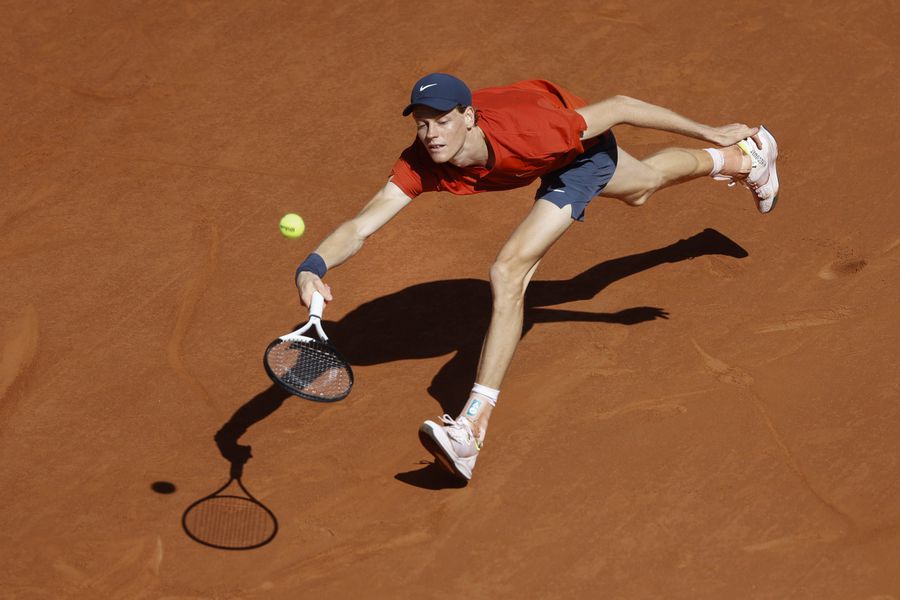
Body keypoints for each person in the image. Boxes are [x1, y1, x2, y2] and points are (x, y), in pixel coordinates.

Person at [294, 73, 779, 481]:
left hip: (571, 150)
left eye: (443, 121)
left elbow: (623, 106)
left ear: (468, 117)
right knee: (644, 186)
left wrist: (707, 130)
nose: (432, 134)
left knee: (508, 271)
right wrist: (313, 265)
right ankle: (746, 160)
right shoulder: (422, 161)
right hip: (551, 148)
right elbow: (362, 223)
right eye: (423, 125)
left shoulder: (533, 131)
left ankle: (471, 430)